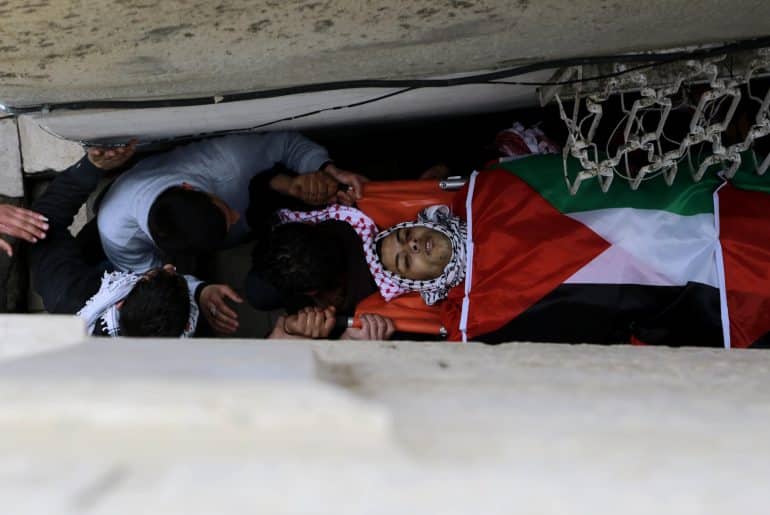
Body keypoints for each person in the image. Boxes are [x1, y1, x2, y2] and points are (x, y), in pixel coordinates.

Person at [28, 143, 239, 336]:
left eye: (150, 276)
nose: (168, 266)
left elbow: (44, 222)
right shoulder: (184, 360)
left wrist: (91, 167)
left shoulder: (65, 290)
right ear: (185, 329)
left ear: (119, 303)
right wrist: (200, 291)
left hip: (93, 262)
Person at [97, 131, 367, 274]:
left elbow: (287, 144)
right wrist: (198, 291)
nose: (235, 216)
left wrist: (324, 168)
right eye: (229, 221)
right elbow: (153, 277)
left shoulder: (231, 161)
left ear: (190, 187)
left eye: (226, 210)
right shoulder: (117, 234)